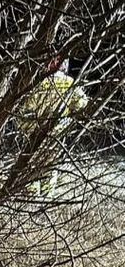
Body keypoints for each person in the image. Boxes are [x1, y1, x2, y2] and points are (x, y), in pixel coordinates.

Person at [15, 57, 90, 196]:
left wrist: (25, 128)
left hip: (35, 131)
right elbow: (82, 104)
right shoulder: (70, 83)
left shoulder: (40, 83)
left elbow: (25, 110)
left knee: (32, 163)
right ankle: (47, 194)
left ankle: (31, 194)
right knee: (51, 164)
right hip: (57, 132)